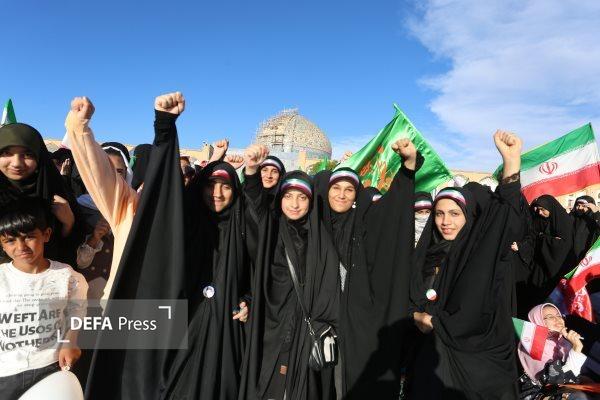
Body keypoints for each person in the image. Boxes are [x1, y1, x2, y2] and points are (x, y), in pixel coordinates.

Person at [409, 130, 523, 399]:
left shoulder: (479, 254)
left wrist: (511, 163)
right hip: (433, 362)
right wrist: (414, 315)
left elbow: (503, 219)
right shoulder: (426, 255)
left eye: (454, 213)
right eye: (439, 213)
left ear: (469, 216)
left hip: (476, 369)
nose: (445, 222)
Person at [311, 140, 419, 399]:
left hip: (355, 325)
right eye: (336, 188)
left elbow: (393, 210)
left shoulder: (364, 223)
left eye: (349, 189)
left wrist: (408, 168)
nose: (342, 195)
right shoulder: (313, 223)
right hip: (317, 324)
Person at [239, 146, 340, 400]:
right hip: (270, 325)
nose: (294, 204)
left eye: (302, 197)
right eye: (288, 196)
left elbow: (328, 290)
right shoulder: (271, 229)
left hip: (305, 330)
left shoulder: (321, 241)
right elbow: (255, 203)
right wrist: (251, 170)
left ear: (311, 201)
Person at [163, 160, 251, 400]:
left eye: (226, 186)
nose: (217, 194)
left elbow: (253, 274)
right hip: (185, 319)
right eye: (211, 185)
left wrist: (247, 300)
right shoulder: (186, 223)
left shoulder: (242, 228)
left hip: (223, 326)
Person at [0, 198, 87, 399]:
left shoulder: (67, 276)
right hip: (5, 372)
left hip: (50, 367)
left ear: (46, 235)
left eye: (29, 237)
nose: (21, 246)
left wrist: (70, 341)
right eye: (11, 240)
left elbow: (77, 311)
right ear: (2, 244)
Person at [0, 123, 83, 266]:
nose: (17, 163)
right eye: (6, 153)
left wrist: (69, 223)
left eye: (27, 154)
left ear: (39, 157)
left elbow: (72, 247)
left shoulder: (57, 193)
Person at [514, 195, 575, 318]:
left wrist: (542, 238)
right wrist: (544, 239)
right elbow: (533, 238)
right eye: (538, 209)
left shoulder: (563, 221)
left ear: (551, 208)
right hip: (539, 266)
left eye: (543, 209)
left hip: (555, 268)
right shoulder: (539, 220)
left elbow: (563, 245)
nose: (540, 212)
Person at [518, 303, 588, 399]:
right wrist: (577, 348)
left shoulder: (564, 343)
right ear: (537, 321)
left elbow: (574, 377)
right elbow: (555, 381)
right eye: (550, 317)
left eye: (559, 316)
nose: (558, 319)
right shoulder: (531, 343)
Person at [571, 195, 600, 263]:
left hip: (588, 255)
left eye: (584, 206)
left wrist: (596, 213)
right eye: (578, 205)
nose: (580, 208)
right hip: (572, 255)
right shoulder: (572, 217)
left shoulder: (594, 218)